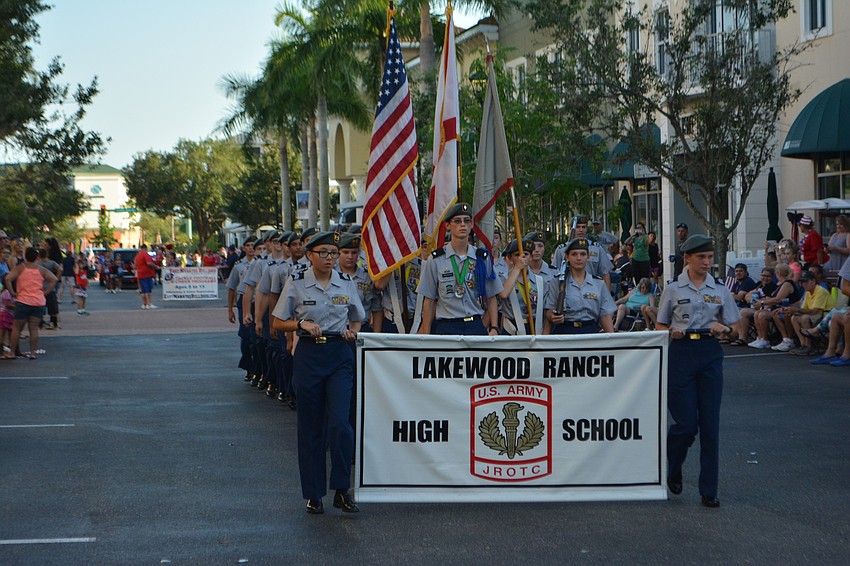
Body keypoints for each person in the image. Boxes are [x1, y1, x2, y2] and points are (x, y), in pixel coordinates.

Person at [271, 231, 364, 515]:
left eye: (333, 253)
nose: (329, 258)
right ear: (309, 255)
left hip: (339, 355)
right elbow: (277, 321)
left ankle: (341, 489)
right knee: (311, 427)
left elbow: (357, 318)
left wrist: (352, 332)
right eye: (323, 253)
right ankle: (313, 493)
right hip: (310, 355)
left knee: (340, 424)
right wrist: (300, 325)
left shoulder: (346, 283)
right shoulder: (297, 283)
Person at [655, 234, 739, 508]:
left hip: (709, 353)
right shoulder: (674, 289)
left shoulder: (719, 288)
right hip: (681, 354)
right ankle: (674, 465)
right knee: (686, 424)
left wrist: (724, 328)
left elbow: (736, 327)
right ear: (687, 259)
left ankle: (709, 489)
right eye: (701, 257)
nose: (706, 262)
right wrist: (671, 332)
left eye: (710, 257)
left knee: (710, 424)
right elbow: (659, 326)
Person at [417, 202, 501, 336]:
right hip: (447, 327)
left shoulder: (482, 258)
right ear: (448, 225)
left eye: (466, 221)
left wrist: (495, 327)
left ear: (472, 224)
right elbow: (429, 300)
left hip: (475, 325)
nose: (463, 224)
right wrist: (427, 335)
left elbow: (491, 296)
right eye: (457, 221)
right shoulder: (436, 260)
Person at [544, 237, 616, 334]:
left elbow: (605, 315)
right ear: (567, 257)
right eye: (574, 254)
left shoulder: (598, 284)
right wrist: (552, 316)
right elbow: (548, 310)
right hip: (565, 331)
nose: (579, 258)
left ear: (588, 257)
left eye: (583, 254)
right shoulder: (557, 282)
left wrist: (611, 340)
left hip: (590, 331)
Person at [5, 247, 58, 360]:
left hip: (22, 301)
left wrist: (12, 292)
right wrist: (46, 292)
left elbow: (8, 279)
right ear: (36, 258)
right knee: (33, 329)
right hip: (38, 301)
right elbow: (54, 279)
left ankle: (12, 352)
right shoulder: (41, 270)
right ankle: (33, 353)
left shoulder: (20, 268)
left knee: (17, 328)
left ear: (25, 256)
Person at [747, 264, 801, 349]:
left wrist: (762, 303)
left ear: (778, 273)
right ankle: (761, 338)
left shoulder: (787, 284)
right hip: (779, 308)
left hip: (789, 308)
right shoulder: (781, 284)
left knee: (764, 315)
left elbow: (778, 299)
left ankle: (787, 340)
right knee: (757, 313)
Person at [553, 216, 613, 290]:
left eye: (583, 227)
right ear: (572, 229)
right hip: (568, 290)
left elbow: (605, 274)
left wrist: (607, 296)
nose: (581, 230)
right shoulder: (561, 250)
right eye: (578, 227)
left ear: (587, 229)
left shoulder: (596, 248)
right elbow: (554, 274)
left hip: (592, 291)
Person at [788, 270, 834, 356]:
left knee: (804, 317)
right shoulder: (808, 292)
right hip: (815, 316)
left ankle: (809, 346)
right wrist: (791, 310)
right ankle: (803, 344)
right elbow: (803, 309)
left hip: (825, 317)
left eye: (806, 281)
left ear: (813, 281)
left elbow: (814, 310)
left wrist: (796, 310)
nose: (803, 284)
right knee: (794, 318)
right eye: (802, 282)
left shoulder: (820, 291)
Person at [135, 244, 161, 310]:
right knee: (148, 290)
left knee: (143, 290)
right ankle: (149, 304)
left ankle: (144, 304)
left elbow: (135, 264)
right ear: (146, 248)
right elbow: (149, 263)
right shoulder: (145, 254)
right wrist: (156, 267)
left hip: (140, 274)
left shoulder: (138, 256)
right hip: (147, 274)